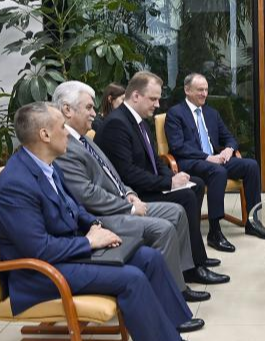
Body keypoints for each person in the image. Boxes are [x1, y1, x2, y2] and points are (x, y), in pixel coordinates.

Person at [0, 102, 222, 341]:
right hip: (41, 274)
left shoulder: (44, 165)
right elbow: (39, 249)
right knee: (131, 278)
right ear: (45, 135)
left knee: (147, 258)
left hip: (65, 254)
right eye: (62, 127)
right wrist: (88, 241)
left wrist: (96, 227)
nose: (68, 132)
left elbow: (73, 209)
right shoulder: (16, 185)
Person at [52, 81, 227, 305]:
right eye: (88, 108)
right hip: (103, 216)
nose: (94, 114)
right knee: (166, 223)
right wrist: (130, 204)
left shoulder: (84, 139)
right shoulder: (67, 144)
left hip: (126, 197)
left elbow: (113, 174)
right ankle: (169, 297)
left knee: (177, 211)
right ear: (67, 110)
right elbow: (87, 193)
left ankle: (184, 275)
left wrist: (129, 193)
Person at [93, 73, 229, 286]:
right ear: (136, 96)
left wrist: (173, 177)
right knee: (186, 197)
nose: (157, 104)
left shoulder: (139, 122)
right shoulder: (116, 124)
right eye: (153, 99)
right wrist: (168, 184)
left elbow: (155, 160)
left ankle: (195, 256)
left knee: (196, 185)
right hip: (132, 195)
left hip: (145, 183)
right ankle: (192, 268)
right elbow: (127, 174)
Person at [164, 73, 265, 253]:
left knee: (250, 165)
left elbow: (229, 137)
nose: (204, 94)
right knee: (218, 172)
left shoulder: (211, 113)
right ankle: (215, 231)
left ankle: (253, 222)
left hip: (215, 160)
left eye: (206, 89)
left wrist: (229, 149)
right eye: (200, 90)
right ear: (187, 90)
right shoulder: (175, 114)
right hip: (191, 162)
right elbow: (177, 146)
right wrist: (207, 157)